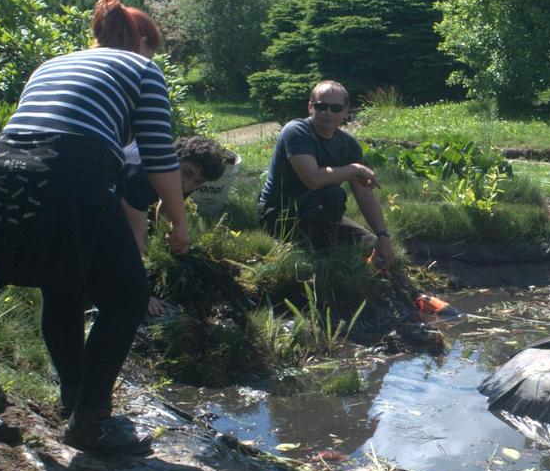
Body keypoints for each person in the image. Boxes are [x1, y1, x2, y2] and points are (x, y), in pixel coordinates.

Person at [0, 0, 189, 455]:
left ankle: (74, 400)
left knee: (62, 285)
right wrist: (178, 222)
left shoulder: (52, 63)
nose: (151, 56)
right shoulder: (141, 69)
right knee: (128, 297)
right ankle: (91, 420)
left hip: (7, 163)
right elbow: (159, 156)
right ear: (141, 40)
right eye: (151, 48)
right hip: (71, 165)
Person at [257, 80, 394, 269]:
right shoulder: (296, 131)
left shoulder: (348, 145)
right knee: (333, 195)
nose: (327, 112)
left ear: (345, 112)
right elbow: (313, 179)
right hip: (279, 213)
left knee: (369, 242)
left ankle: (360, 261)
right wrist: (354, 169)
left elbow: (364, 194)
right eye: (321, 106)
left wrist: (383, 235)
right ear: (310, 107)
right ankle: (320, 262)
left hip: (317, 211)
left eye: (335, 108)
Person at [121, 136, 228, 315]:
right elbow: (134, 242)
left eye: (198, 182)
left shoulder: (175, 173)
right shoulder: (143, 177)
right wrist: (142, 294)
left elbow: (167, 207)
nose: (188, 185)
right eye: (187, 173)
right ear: (175, 157)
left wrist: (166, 242)